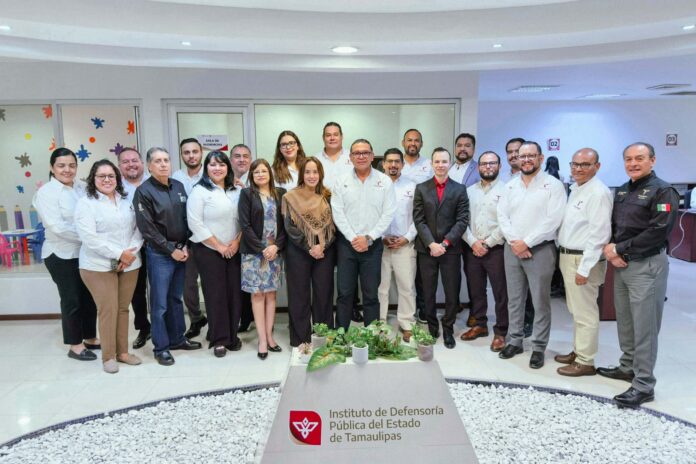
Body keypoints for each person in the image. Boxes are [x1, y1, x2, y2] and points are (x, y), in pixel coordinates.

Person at [599, 142, 679, 408]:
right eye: (629, 159)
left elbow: (658, 231)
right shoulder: (623, 189)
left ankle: (644, 384)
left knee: (645, 326)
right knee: (625, 320)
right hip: (622, 264)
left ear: (652, 160)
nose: (633, 163)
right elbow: (615, 225)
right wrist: (614, 251)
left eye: (640, 158)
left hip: (647, 265)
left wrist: (619, 248)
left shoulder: (663, 191)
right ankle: (627, 367)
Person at [497, 141, 566, 369]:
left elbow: (553, 220)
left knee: (540, 301)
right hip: (512, 248)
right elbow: (502, 217)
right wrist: (515, 242)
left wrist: (526, 242)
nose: (526, 160)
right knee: (514, 299)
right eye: (522, 156)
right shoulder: (510, 186)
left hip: (541, 250)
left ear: (540, 158)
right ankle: (515, 340)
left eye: (531, 155)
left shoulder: (553, 185)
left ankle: (538, 346)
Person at [134, 147, 202, 366]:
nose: (163, 164)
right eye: (157, 161)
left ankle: (177, 339)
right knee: (160, 303)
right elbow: (147, 228)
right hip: (160, 254)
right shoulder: (144, 191)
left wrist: (185, 245)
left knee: (175, 299)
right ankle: (161, 347)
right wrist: (170, 249)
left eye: (166, 160)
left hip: (181, 252)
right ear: (149, 166)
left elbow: (187, 218)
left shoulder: (178, 186)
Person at [75, 159, 143, 373]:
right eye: (101, 176)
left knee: (123, 309)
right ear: (93, 179)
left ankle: (123, 353)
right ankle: (108, 357)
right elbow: (89, 237)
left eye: (111, 176)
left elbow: (139, 228)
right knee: (108, 309)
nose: (107, 180)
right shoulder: (86, 203)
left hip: (129, 263)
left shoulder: (126, 200)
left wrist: (129, 254)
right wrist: (119, 254)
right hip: (97, 265)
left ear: (117, 178)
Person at [33, 148, 99, 361]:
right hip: (60, 254)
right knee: (72, 299)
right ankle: (75, 345)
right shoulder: (46, 193)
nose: (67, 170)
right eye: (61, 166)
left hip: (85, 252)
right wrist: (90, 238)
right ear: (52, 167)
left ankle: (90, 337)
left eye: (71, 165)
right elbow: (58, 227)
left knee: (89, 297)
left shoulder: (81, 187)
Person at [556, 148, 612, 376]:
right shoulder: (577, 189)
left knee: (585, 312)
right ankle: (578, 352)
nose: (578, 168)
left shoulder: (598, 193)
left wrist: (585, 268)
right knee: (576, 310)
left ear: (597, 166)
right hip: (569, 256)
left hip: (582, 259)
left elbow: (600, 234)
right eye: (575, 164)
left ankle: (585, 361)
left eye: (585, 164)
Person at [332, 138, 396, 330]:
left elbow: (388, 213)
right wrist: (354, 238)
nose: (361, 156)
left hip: (372, 246)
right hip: (347, 245)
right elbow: (337, 212)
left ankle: (372, 335)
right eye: (356, 153)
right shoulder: (341, 181)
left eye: (365, 152)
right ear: (350, 157)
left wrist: (368, 238)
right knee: (344, 293)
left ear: (372, 155)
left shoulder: (384, 181)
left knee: (371, 294)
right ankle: (340, 335)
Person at [187, 151, 243, 358]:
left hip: (234, 249)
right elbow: (195, 223)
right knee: (216, 295)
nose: (217, 168)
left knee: (234, 294)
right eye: (212, 165)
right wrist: (219, 246)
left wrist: (236, 242)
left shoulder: (236, 190)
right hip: (208, 250)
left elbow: (244, 219)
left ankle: (232, 335)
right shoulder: (199, 191)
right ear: (206, 168)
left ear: (228, 167)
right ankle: (219, 339)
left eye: (221, 164)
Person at [413, 147, 469, 349]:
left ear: (450, 163)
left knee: (451, 291)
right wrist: (431, 243)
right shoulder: (421, 188)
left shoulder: (459, 189)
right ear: (431, 164)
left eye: (444, 161)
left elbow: (462, 220)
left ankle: (448, 328)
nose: (440, 165)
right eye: (437, 161)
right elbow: (418, 219)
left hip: (450, 250)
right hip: (426, 249)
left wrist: (445, 243)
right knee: (427, 291)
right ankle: (432, 327)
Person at [282, 157, 337, 346]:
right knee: (299, 296)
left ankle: (323, 337)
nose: (312, 176)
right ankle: (301, 340)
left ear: (320, 174)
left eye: (315, 172)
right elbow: (289, 227)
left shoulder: (327, 196)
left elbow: (334, 226)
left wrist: (322, 246)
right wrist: (309, 247)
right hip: (298, 252)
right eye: (307, 172)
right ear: (302, 174)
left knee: (324, 295)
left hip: (324, 253)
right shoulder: (290, 197)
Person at [239, 159, 287, 360]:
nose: (260, 174)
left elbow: (286, 224)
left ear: (270, 173)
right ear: (252, 175)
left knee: (271, 294)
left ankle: (270, 336)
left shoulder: (281, 193)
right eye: (256, 172)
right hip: (253, 253)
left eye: (264, 171)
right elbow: (245, 225)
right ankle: (262, 340)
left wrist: (276, 246)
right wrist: (262, 248)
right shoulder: (247, 194)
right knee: (258, 295)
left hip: (274, 253)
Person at [461, 151, 508, 352]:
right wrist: (473, 242)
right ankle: (480, 324)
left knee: (500, 292)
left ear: (499, 166)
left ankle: (501, 331)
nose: (488, 167)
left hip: (496, 249)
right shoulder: (469, 191)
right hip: (472, 248)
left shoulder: (507, 190)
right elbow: (462, 220)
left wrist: (487, 243)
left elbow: (507, 222)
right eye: (484, 164)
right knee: (476, 289)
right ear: (478, 167)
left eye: (492, 163)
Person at [377, 148, 417, 342]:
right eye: (389, 161)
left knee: (406, 287)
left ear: (402, 164)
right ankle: (380, 322)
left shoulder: (412, 186)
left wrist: (407, 238)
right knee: (381, 287)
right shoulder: (375, 185)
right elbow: (371, 215)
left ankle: (407, 324)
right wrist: (381, 236)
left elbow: (419, 217)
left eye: (397, 161)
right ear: (384, 164)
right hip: (381, 245)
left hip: (404, 245)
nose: (393, 165)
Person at [116, 147, 151, 349]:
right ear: (119, 166)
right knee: (136, 291)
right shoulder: (115, 188)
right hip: (130, 248)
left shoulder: (154, 182)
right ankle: (143, 328)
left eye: (134, 160)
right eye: (125, 161)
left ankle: (164, 326)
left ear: (142, 163)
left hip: (157, 245)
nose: (131, 164)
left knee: (161, 288)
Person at [172, 138, 207, 339]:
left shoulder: (211, 172)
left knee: (211, 282)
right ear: (181, 155)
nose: (191, 156)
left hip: (209, 238)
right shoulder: (175, 177)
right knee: (188, 283)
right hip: (187, 238)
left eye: (195, 151)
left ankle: (217, 319)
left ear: (201, 152)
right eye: (186, 152)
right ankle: (196, 318)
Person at [400, 128, 433, 325]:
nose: (413, 143)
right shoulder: (396, 163)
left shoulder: (429, 165)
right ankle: (404, 310)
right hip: (402, 223)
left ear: (421, 143)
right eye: (409, 140)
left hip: (424, 223)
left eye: (416, 140)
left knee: (422, 273)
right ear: (403, 143)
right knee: (405, 274)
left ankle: (423, 309)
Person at [229, 143, 254, 333]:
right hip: (227, 240)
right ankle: (237, 318)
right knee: (234, 283)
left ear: (250, 159)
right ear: (231, 160)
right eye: (237, 156)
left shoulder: (256, 179)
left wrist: (246, 190)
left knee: (248, 283)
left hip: (249, 239)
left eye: (245, 156)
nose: (241, 160)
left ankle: (248, 319)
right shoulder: (224, 180)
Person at [316, 122, 353, 190]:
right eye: (328, 135)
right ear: (323, 138)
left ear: (342, 136)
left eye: (336, 135)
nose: (332, 138)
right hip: (322, 196)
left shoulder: (353, 157)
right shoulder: (315, 160)